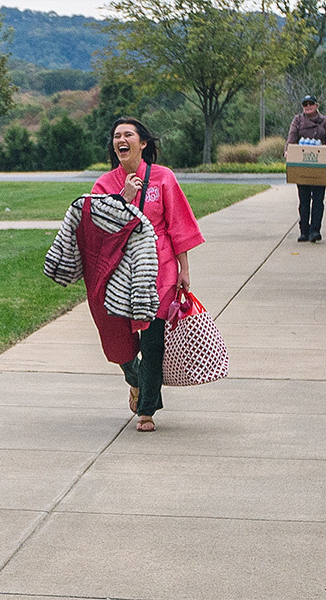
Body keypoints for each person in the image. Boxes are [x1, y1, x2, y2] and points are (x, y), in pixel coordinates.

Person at [91, 117, 204, 432]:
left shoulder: (163, 179)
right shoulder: (104, 184)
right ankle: (135, 378)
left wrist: (184, 268)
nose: (121, 140)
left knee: (154, 340)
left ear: (143, 143)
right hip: (119, 273)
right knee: (119, 337)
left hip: (160, 269)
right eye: (117, 136)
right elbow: (99, 230)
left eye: (128, 134)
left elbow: (178, 224)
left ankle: (147, 409)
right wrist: (123, 199)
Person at [286, 95, 326, 243]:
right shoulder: (298, 120)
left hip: (320, 166)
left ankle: (315, 230)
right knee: (303, 200)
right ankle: (304, 230)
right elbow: (292, 137)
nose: (308, 106)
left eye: (311, 104)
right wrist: (287, 151)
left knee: (318, 199)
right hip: (302, 165)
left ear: (317, 105)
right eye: (305, 104)